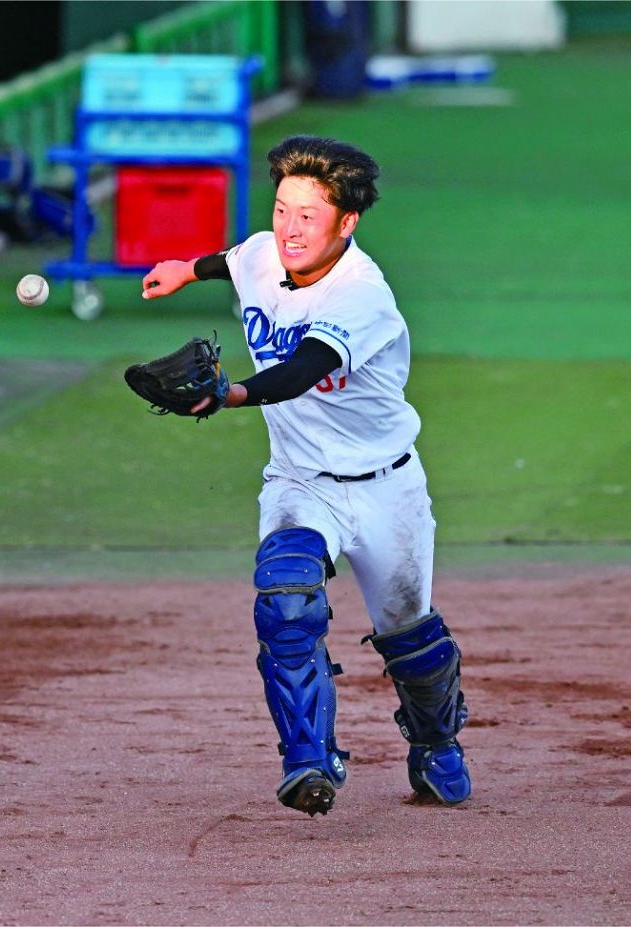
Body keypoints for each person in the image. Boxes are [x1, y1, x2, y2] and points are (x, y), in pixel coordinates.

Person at [141, 135, 471, 817]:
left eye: (308, 216)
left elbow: (301, 370)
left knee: (410, 637)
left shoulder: (364, 297)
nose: (289, 229)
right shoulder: (267, 250)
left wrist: (230, 394)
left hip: (387, 488)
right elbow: (236, 260)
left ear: (346, 223)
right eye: (282, 208)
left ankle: (438, 740)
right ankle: (309, 760)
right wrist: (184, 268)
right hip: (299, 480)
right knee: (285, 598)